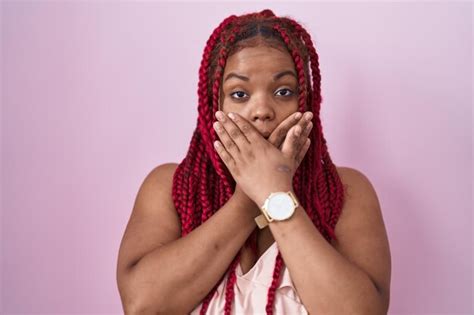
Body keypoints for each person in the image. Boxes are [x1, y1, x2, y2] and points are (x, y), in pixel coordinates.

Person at [116, 9, 391, 315]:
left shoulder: (345, 190)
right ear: (213, 105)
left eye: (283, 91)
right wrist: (250, 196)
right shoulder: (171, 186)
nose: (262, 110)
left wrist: (275, 195)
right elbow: (143, 306)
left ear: (306, 101)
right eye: (239, 93)